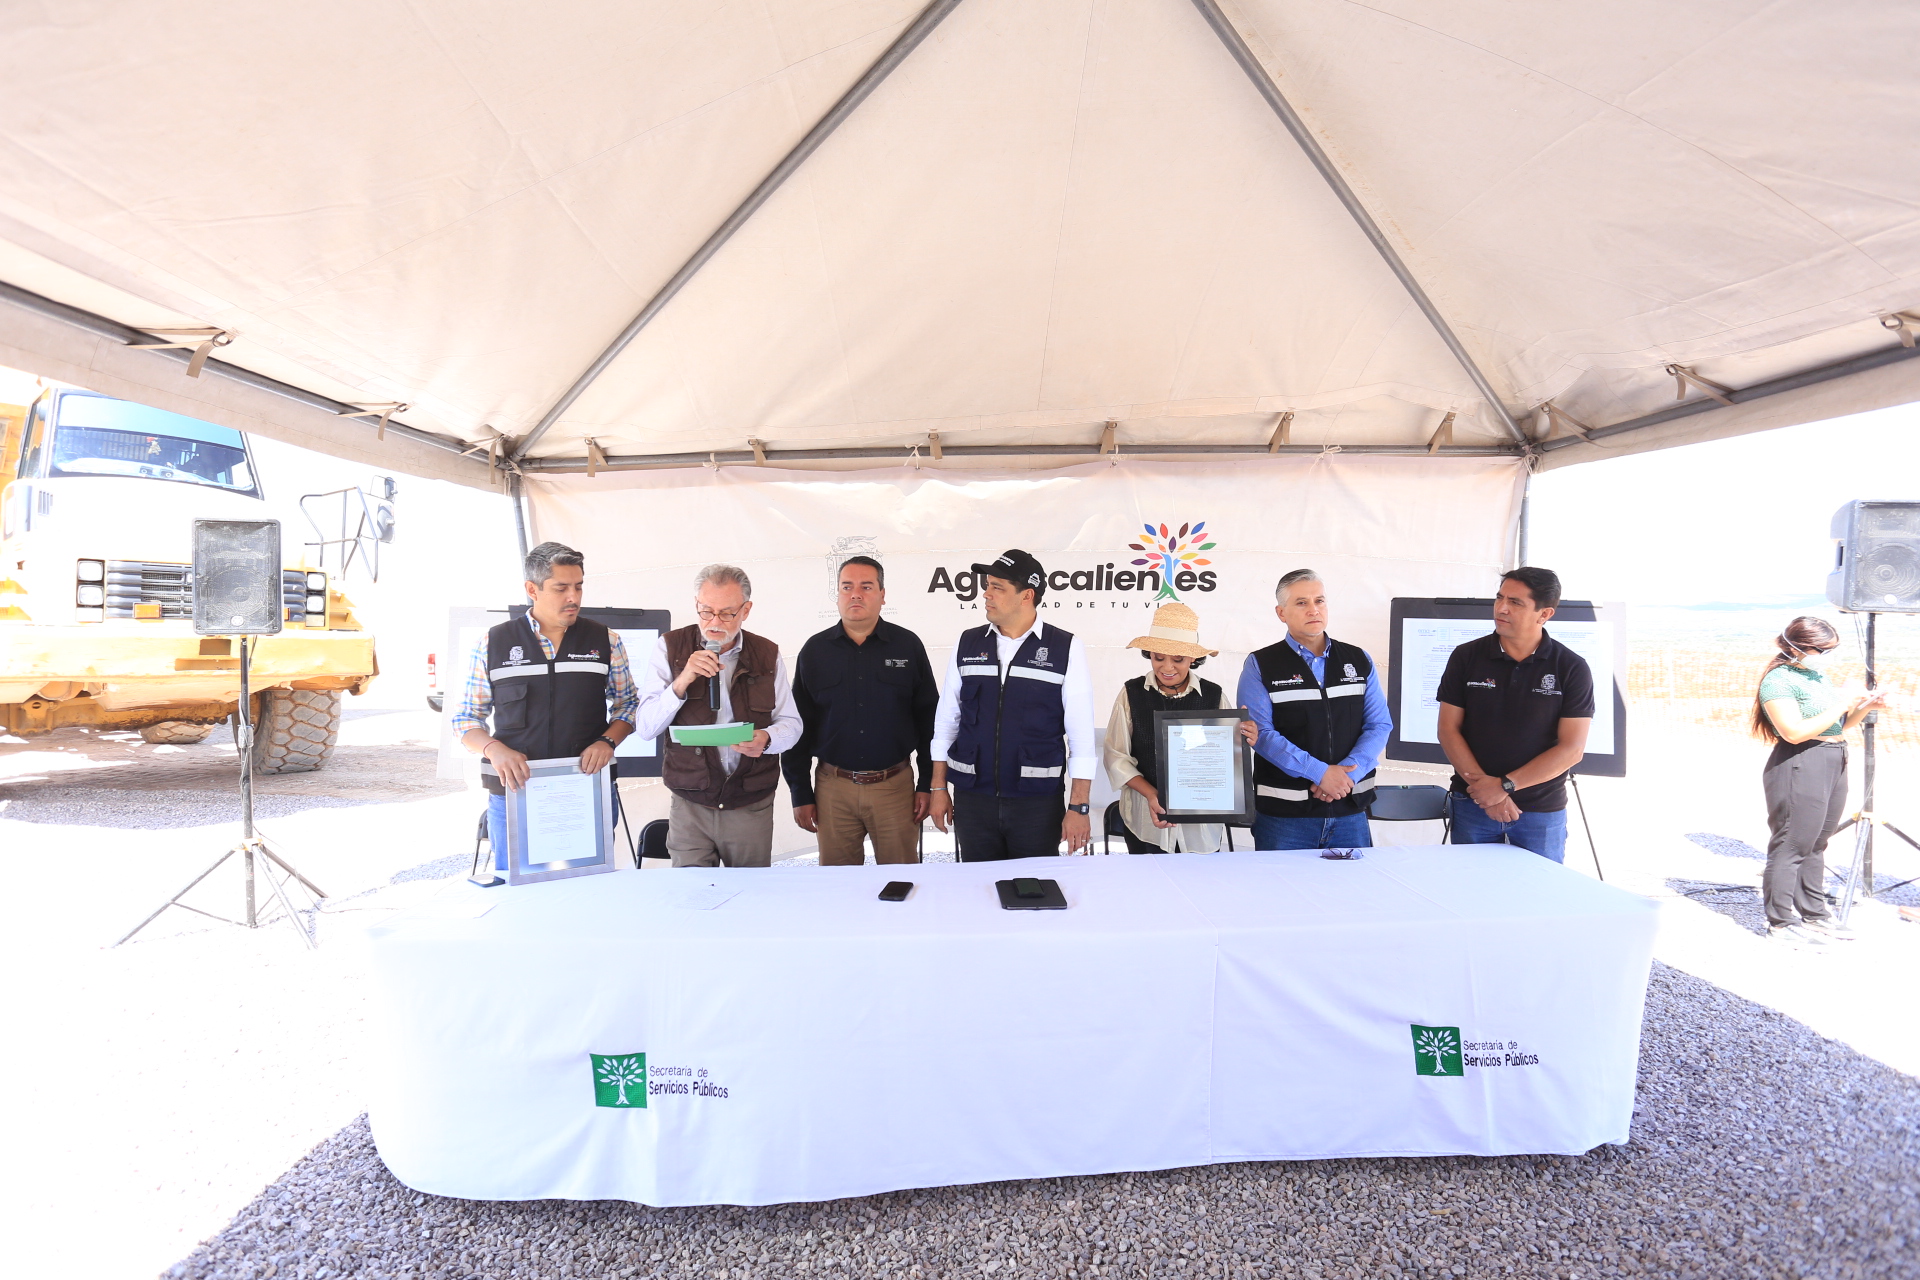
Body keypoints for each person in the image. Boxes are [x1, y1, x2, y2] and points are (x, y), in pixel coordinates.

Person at [452, 541, 638, 870]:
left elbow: (629, 704)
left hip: (586, 790)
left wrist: (607, 742)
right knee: (515, 889)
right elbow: (466, 719)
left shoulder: (606, 641)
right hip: (515, 793)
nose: (574, 597)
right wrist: (494, 750)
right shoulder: (493, 643)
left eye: (579, 586)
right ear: (532, 589)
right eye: (561, 588)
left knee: (589, 887)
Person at [929, 549, 1096, 859]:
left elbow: (1081, 737)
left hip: (1036, 804)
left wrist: (1079, 807)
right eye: (987, 585)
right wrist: (938, 788)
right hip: (973, 800)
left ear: (1026, 595)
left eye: (998, 587)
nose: (986, 594)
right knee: (978, 884)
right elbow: (947, 722)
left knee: (1034, 884)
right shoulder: (967, 642)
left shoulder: (1065, 647)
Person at [632, 563, 801, 868]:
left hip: (749, 802)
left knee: (750, 891)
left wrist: (766, 739)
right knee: (692, 892)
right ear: (696, 604)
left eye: (726, 613)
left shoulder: (766, 653)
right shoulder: (670, 647)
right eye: (706, 611)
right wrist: (682, 680)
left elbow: (791, 723)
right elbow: (645, 727)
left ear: (746, 610)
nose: (714, 622)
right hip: (691, 803)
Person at [784, 555, 940, 865]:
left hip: (895, 789)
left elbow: (929, 722)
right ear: (837, 595)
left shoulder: (907, 646)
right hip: (833, 791)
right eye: (847, 587)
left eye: (866, 587)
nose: (855, 594)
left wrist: (927, 785)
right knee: (839, 886)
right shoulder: (815, 651)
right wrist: (800, 793)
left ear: (882, 595)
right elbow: (796, 726)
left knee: (900, 882)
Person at [1435, 566, 1593, 862]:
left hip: (1540, 811)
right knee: (1471, 887)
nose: (1501, 608)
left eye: (1515, 602)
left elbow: (1572, 748)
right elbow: (1448, 730)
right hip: (1473, 805)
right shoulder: (1466, 656)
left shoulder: (1570, 667)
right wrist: (1485, 792)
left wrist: (1504, 786)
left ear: (1544, 614)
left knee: (1539, 890)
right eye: (1499, 598)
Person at [1237, 569, 1392, 850]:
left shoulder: (1358, 659)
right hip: (1284, 818)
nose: (1313, 609)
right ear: (1281, 613)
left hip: (1350, 811)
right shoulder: (1260, 664)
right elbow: (1260, 734)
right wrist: (1319, 773)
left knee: (1354, 881)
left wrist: (1346, 776)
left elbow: (1379, 725)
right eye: (1301, 603)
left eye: (1319, 601)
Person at [1753, 617, 1881, 945]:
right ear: (1798, 646)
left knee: (1816, 843)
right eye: (1822, 650)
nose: (1827, 656)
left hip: (1833, 757)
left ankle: (1814, 913)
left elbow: (1838, 724)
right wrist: (1843, 702)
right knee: (1792, 843)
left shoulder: (1816, 676)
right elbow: (1793, 732)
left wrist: (1865, 707)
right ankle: (1780, 922)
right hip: (1801, 761)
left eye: (1831, 650)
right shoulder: (1778, 681)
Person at [1104, 602, 1258, 853]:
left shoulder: (1213, 696)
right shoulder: (1131, 694)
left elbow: (1227, 759)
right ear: (1149, 654)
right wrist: (1151, 794)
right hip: (1146, 824)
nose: (1167, 667)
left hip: (1201, 827)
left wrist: (1243, 738)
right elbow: (1116, 756)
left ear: (1193, 658)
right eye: (1158, 657)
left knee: (1198, 878)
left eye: (1178, 659)